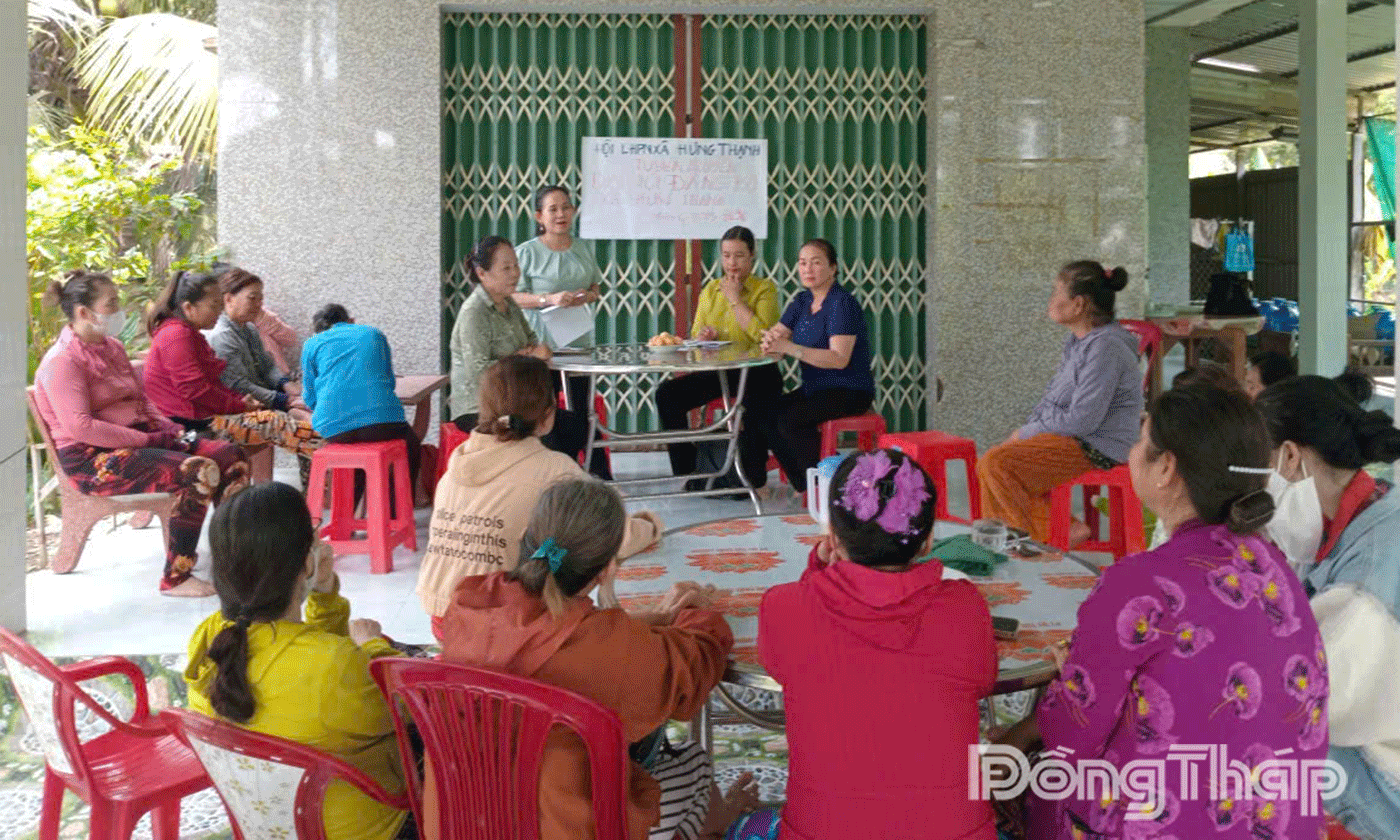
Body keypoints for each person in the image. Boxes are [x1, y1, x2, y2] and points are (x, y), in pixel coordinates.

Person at [998, 384, 1328, 840]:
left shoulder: (1137, 586)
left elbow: (1073, 733)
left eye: (1140, 440)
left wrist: (1068, 682)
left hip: (1170, 823)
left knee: (1015, 777)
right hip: (1281, 821)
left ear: (1167, 467)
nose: (1131, 451)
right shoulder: (1278, 572)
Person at [436, 478, 757, 840]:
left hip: (465, 817)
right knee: (693, 763)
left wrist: (651, 618)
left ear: (528, 538)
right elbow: (697, 663)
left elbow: (546, 635)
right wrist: (698, 611)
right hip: (566, 826)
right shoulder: (612, 647)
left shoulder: (471, 602)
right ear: (607, 569)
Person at [733, 448, 997, 840]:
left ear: (833, 540)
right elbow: (983, 680)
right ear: (926, 543)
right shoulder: (965, 608)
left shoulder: (784, 607)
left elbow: (789, 650)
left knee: (745, 826)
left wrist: (820, 572)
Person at [184, 482, 411, 840]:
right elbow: (404, 711)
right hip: (362, 829)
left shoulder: (209, 638)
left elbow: (319, 660)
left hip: (270, 827)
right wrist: (374, 649)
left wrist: (324, 596)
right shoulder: (333, 667)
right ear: (307, 561)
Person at [33, 270, 248, 597]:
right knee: (196, 471)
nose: (120, 310)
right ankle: (176, 577)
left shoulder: (113, 347)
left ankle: (236, 556)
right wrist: (147, 440)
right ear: (83, 313)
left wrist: (169, 431)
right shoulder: (62, 361)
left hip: (139, 442)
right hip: (93, 459)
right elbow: (81, 426)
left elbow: (141, 398)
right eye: (112, 303)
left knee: (229, 456)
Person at [418, 356, 661, 636]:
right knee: (580, 573)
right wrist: (650, 526)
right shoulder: (554, 469)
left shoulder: (454, 469)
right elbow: (613, 535)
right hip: (503, 625)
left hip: (442, 621)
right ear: (548, 418)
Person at [1254, 375, 1400, 840]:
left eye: (1261, 470)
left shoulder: (1373, 564)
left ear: (1291, 457)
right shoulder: (1359, 511)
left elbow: (1314, 695)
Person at [977, 261, 1143, 545]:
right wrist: (1025, 431)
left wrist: (1027, 433)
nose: (1051, 301)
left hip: (1097, 444)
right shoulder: (1078, 342)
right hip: (1075, 437)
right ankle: (1063, 527)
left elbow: (1083, 420)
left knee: (998, 465)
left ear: (1078, 304)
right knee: (994, 462)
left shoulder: (1106, 348)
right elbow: (1052, 401)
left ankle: (1028, 551)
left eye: (1056, 293)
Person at [143, 270, 322, 482]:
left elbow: (215, 384)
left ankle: (291, 489)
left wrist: (241, 401)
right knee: (277, 423)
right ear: (189, 307)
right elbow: (195, 390)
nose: (219, 311)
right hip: (189, 425)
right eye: (214, 305)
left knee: (279, 421)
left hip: (206, 416)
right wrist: (240, 406)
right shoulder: (177, 335)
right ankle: (335, 457)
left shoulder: (190, 333)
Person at [448, 234, 594, 472]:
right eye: (506, 268)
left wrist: (529, 354)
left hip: (516, 402)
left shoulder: (510, 304)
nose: (515, 273)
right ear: (482, 274)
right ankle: (539, 490)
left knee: (576, 426)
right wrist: (523, 357)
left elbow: (536, 345)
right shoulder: (474, 312)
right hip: (481, 408)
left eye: (516, 265)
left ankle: (555, 485)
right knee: (546, 438)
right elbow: (480, 374)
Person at [655, 226, 783, 483]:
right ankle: (691, 470)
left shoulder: (764, 289)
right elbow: (694, 334)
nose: (732, 263)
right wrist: (704, 337)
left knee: (753, 409)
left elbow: (765, 337)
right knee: (667, 395)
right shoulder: (711, 289)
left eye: (739, 256)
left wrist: (736, 300)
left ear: (751, 256)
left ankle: (750, 476)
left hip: (757, 373)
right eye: (726, 256)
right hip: (720, 371)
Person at [756, 239, 875, 493]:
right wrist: (770, 340)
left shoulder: (842, 304)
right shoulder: (801, 301)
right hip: (815, 389)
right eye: (802, 263)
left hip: (849, 391)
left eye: (816, 262)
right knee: (765, 414)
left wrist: (789, 348)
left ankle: (826, 485)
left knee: (791, 420)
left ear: (833, 268)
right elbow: (779, 334)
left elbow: (839, 358)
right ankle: (804, 483)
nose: (808, 269)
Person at [512, 185, 613, 478]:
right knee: (543, 412)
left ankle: (596, 472)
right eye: (553, 209)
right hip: (541, 349)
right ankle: (550, 473)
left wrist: (586, 296)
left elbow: (596, 287)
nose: (561, 214)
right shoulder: (527, 253)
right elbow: (513, 297)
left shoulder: (582, 248)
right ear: (539, 216)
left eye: (566, 207)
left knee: (582, 411)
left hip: (578, 343)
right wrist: (548, 300)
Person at [301, 303, 422, 506]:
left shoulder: (311, 344)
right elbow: (389, 383)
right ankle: (394, 513)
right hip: (382, 423)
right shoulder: (372, 334)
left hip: (333, 429)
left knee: (354, 454)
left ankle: (345, 520)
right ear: (351, 321)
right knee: (411, 445)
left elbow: (310, 397)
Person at [208, 267, 309, 421]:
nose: (258, 305)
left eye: (260, 299)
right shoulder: (221, 335)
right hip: (244, 408)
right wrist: (284, 400)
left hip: (267, 396)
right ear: (229, 299)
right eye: (252, 298)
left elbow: (267, 365)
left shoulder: (249, 327)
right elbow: (238, 385)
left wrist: (287, 385)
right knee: (306, 420)